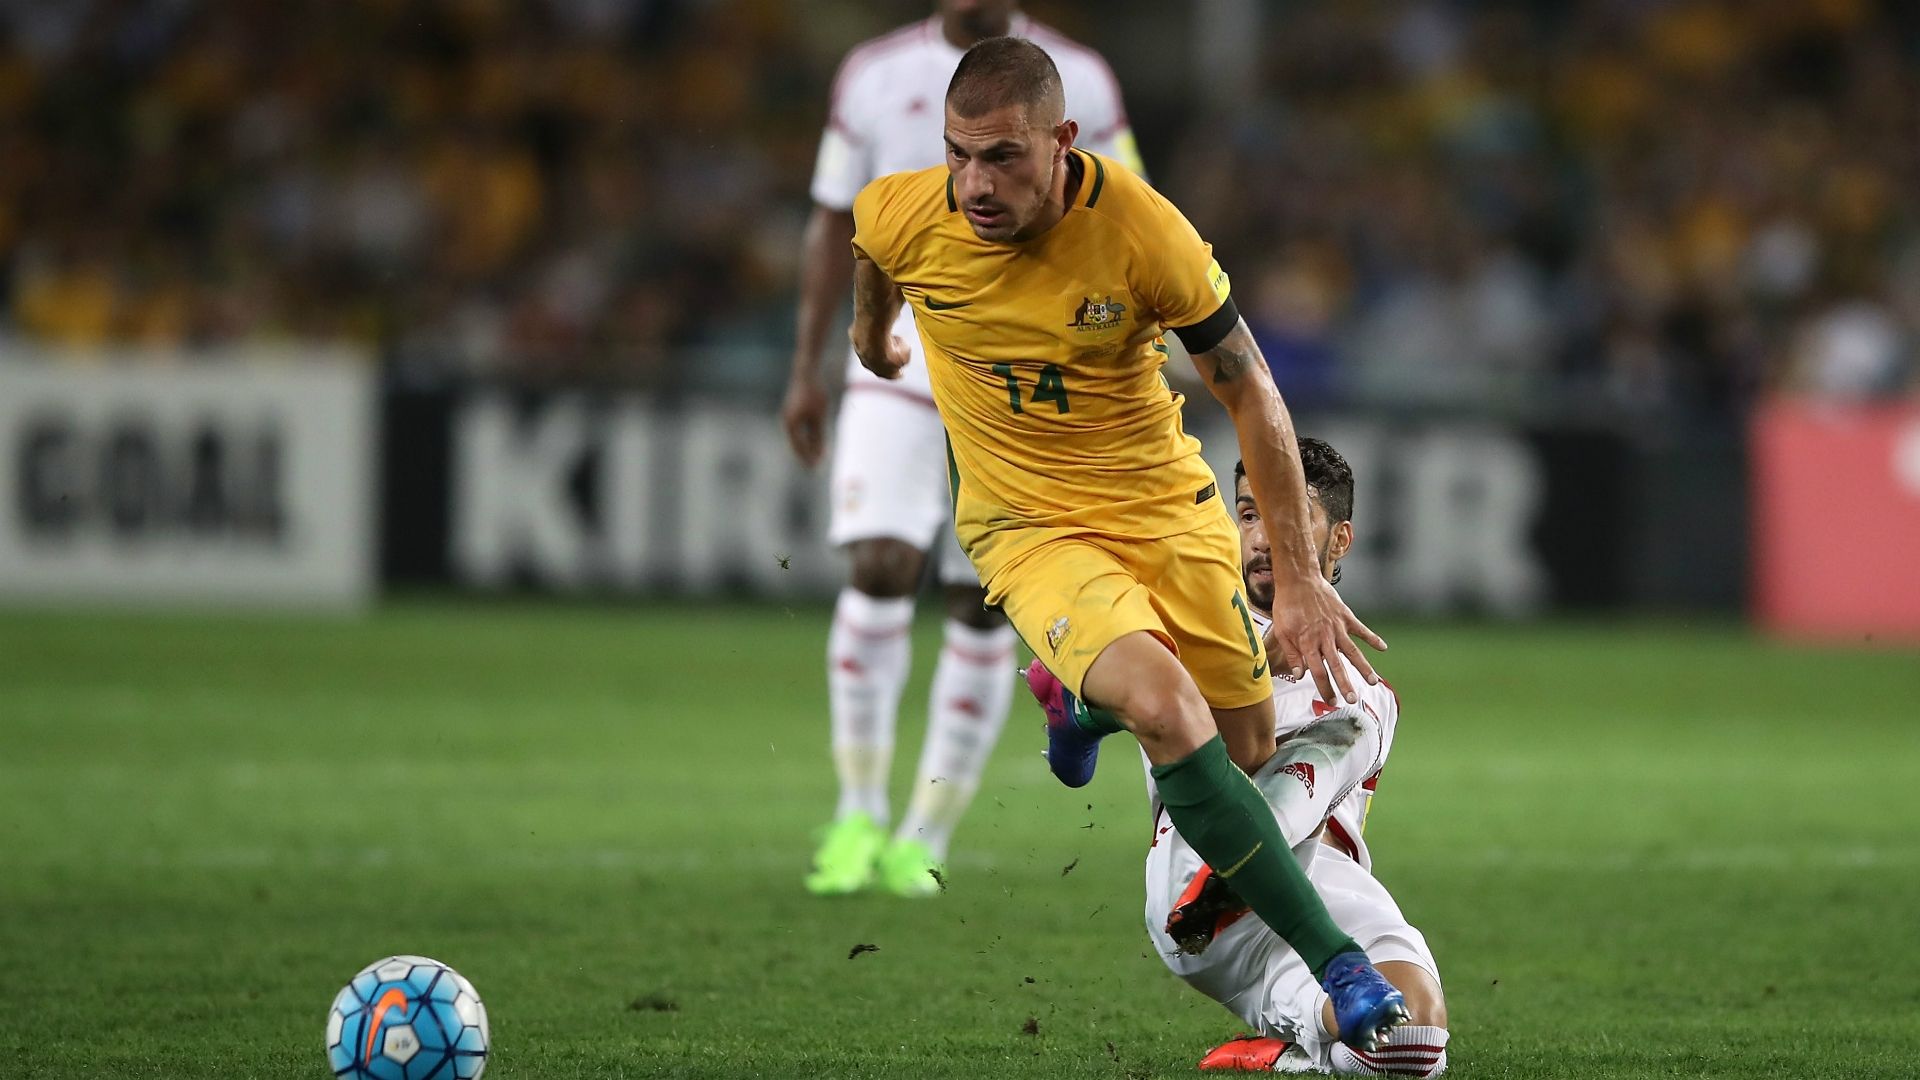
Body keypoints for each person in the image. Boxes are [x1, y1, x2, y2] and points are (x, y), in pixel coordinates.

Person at [847, 37, 1407, 1051]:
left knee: (1241, 761)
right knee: (1167, 706)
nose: (974, 183)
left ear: (1063, 142)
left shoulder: (1144, 231)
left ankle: (1081, 712)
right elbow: (874, 250)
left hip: (1162, 508)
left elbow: (1251, 393)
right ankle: (1341, 968)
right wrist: (868, 337)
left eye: (1003, 157)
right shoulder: (904, 207)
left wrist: (1293, 583)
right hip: (1027, 525)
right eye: (958, 154)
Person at [783, 0, 1144, 899]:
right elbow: (836, 224)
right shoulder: (869, 75)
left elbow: (1131, 213)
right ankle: (857, 811)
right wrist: (807, 365)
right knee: (878, 561)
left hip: (1027, 358)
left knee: (981, 600)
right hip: (899, 348)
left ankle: (924, 833)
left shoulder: (1082, 77)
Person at [1148, 442, 1450, 1075]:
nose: (1262, 538)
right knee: (1346, 730)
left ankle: (1290, 1051)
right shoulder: (1189, 638)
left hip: (1322, 885)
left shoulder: (1369, 692)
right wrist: (1252, 669)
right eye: (1249, 514)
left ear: (1339, 541)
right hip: (1198, 888)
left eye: (1289, 520)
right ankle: (1236, 868)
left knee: (1414, 1044)